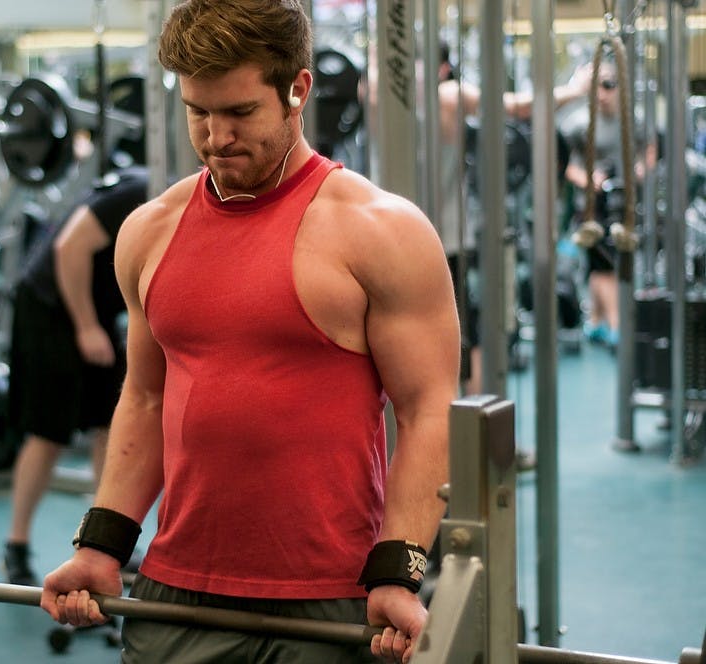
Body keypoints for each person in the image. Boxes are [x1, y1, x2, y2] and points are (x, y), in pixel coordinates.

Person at [41, 2, 460, 663]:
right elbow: (145, 399)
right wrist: (102, 545)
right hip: (177, 586)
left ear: (298, 90)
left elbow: (428, 408)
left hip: (328, 593)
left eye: (239, 113)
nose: (215, 137)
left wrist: (399, 569)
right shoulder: (149, 231)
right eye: (197, 112)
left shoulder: (381, 231)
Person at [3, 167, 148, 586]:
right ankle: (16, 546)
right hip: (51, 307)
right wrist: (86, 327)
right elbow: (69, 248)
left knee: (111, 422)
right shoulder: (140, 191)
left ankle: (110, 540)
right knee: (48, 432)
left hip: (98, 309)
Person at [436, 41, 591, 395]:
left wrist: (576, 91)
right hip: (412, 237)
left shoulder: (445, 94)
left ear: (443, 68)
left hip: (446, 237)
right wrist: (576, 90)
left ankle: (471, 432)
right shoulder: (386, 92)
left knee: (462, 331)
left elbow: (518, 108)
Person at [560, 60, 656, 350]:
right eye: (597, 86)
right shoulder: (578, 122)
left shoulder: (633, 120)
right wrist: (586, 179)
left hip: (623, 201)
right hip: (592, 206)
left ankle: (597, 321)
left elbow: (649, 147)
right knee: (603, 265)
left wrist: (641, 170)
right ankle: (615, 323)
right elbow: (561, 162)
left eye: (608, 86)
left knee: (603, 264)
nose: (602, 93)